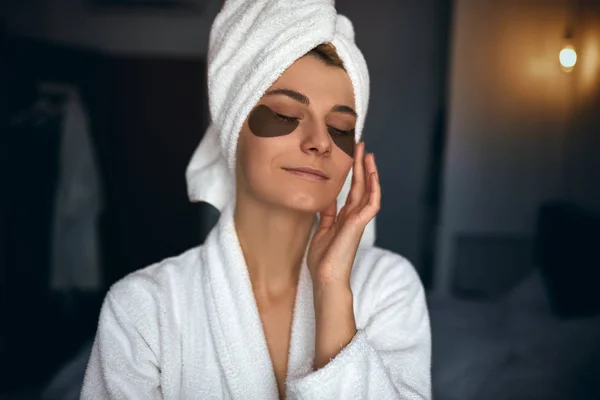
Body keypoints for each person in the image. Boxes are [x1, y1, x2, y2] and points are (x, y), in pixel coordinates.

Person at [81, 1, 431, 399]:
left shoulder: (387, 286)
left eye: (340, 126)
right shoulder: (144, 309)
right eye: (284, 114)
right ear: (233, 127)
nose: (319, 142)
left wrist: (332, 291)